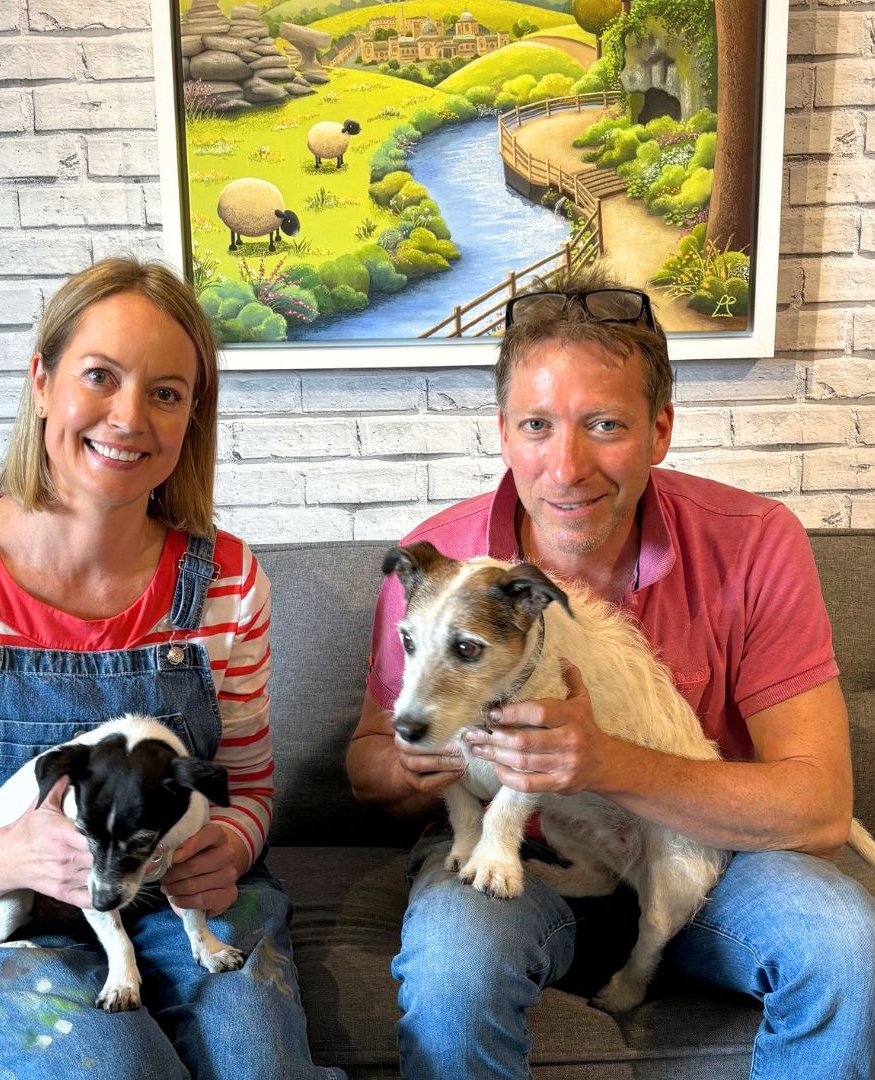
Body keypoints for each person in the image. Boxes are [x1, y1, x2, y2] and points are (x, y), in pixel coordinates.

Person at [346, 269, 875, 1079]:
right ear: (501, 431)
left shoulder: (757, 542)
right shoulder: (435, 570)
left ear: (660, 430)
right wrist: (416, 760)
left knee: (847, 949)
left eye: (604, 425)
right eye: (536, 425)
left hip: (711, 851)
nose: (567, 467)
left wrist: (603, 763)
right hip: (511, 856)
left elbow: (818, 810)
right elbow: (370, 765)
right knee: (454, 972)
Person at [0, 257, 345, 1080]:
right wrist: (15, 857)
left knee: (258, 1064)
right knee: (114, 1068)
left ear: (193, 416)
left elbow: (249, 791)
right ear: (42, 381)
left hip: (171, 901)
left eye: (165, 392)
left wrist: (222, 848)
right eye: (100, 376)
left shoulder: (227, 582)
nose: (128, 417)